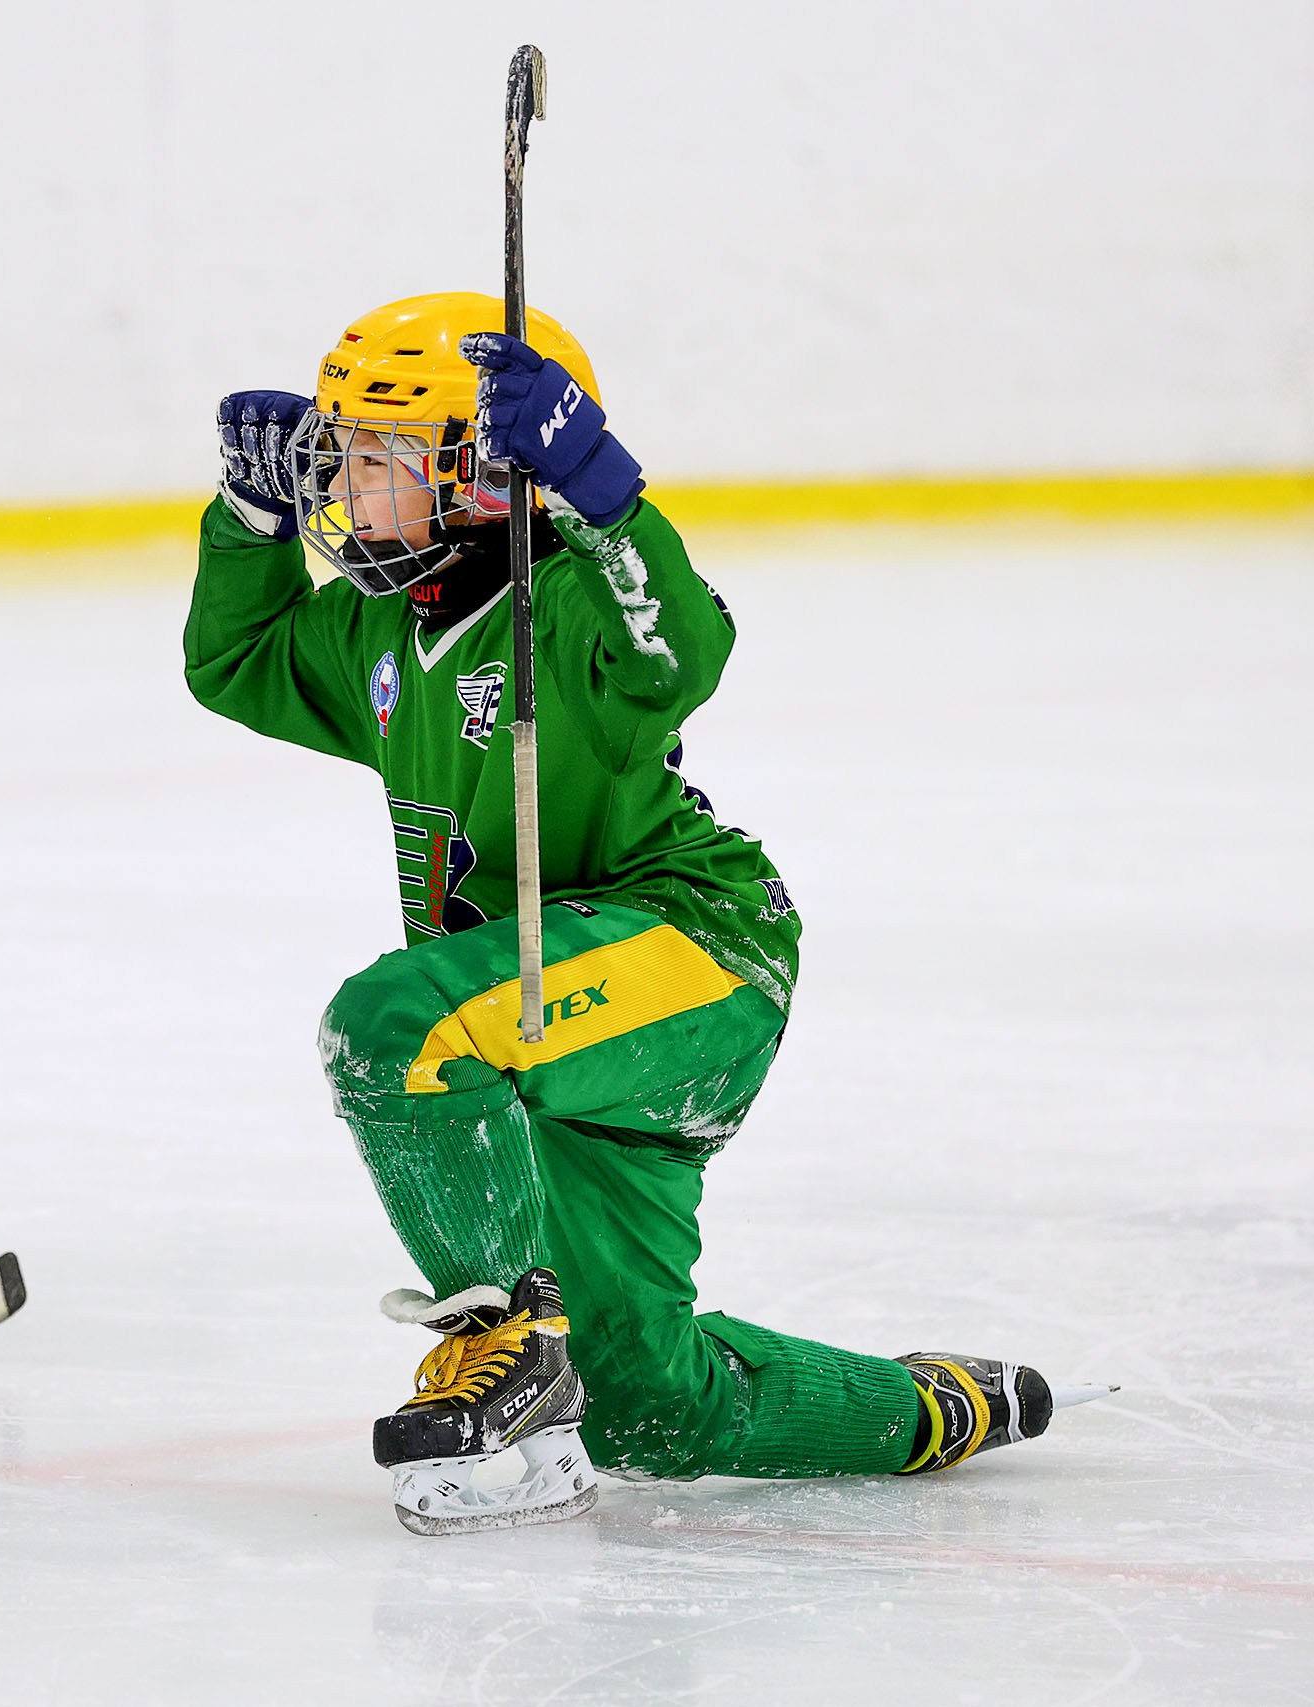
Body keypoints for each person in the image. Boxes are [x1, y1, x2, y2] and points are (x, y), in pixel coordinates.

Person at [187, 294, 1098, 1533]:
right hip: (550, 1029)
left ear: (489, 479)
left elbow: (680, 657)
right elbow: (234, 662)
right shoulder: (383, 641)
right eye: (336, 454)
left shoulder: (559, 605)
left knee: (394, 1027)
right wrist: (245, 522)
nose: (340, 486)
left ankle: (504, 1339)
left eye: (379, 457)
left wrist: (606, 498)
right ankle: (927, 1407)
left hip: (696, 957)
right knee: (642, 1410)